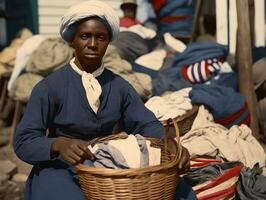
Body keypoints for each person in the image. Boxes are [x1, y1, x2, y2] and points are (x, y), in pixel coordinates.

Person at [13, 1, 194, 199]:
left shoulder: (119, 86)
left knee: (182, 191)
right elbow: (24, 140)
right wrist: (57, 145)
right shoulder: (49, 87)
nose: (92, 44)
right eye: (84, 36)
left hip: (107, 166)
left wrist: (168, 143)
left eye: (100, 37)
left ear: (108, 42)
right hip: (60, 168)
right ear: (72, 40)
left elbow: (146, 123)